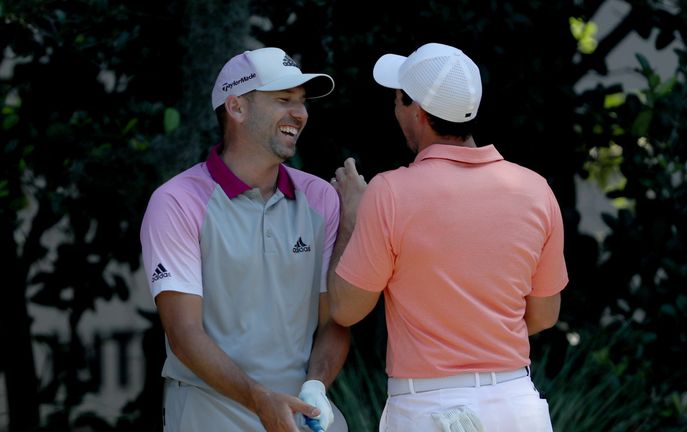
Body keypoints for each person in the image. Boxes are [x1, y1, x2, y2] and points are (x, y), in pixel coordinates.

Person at [328, 42, 568, 432]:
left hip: (428, 407)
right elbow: (544, 315)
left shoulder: (388, 192)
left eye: (397, 100)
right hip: (516, 405)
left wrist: (352, 217)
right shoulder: (535, 189)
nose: (395, 110)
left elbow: (345, 309)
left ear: (417, 111)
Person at [140, 47, 349, 432]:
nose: (300, 114)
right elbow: (184, 334)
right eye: (283, 100)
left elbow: (335, 319)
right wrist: (259, 399)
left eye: (302, 102)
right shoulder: (176, 202)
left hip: (304, 415)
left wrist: (317, 385)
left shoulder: (321, 199)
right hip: (209, 414)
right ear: (236, 107)